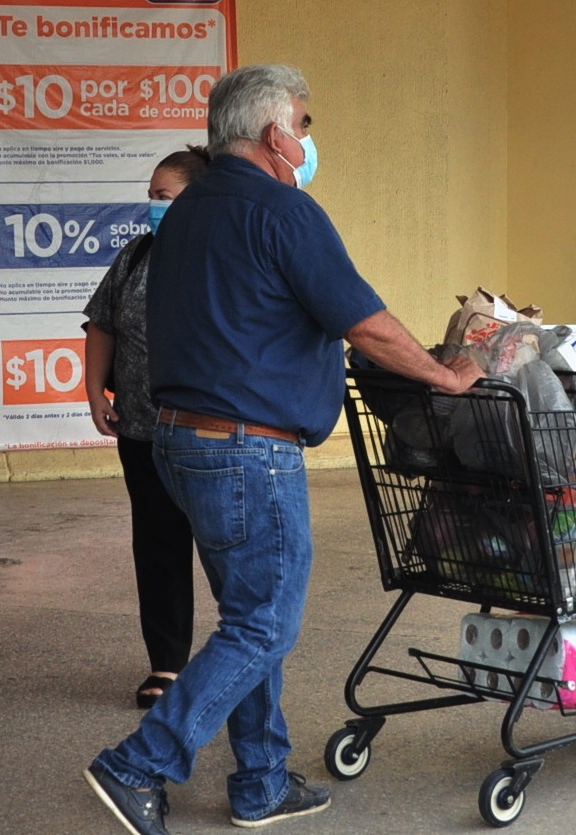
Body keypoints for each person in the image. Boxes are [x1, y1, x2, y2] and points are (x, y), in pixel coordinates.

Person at [83, 64, 483, 833]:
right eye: (303, 124)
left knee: (246, 613)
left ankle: (260, 779)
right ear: (273, 133)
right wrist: (441, 375)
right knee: (264, 622)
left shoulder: (188, 210)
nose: (306, 138)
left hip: (178, 438)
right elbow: (361, 319)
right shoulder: (283, 210)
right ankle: (139, 761)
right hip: (245, 449)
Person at [83, 147, 210, 709]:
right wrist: (93, 391)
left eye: (165, 197)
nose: (153, 206)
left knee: (228, 552)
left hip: (211, 436)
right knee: (157, 548)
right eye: (151, 196)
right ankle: (167, 664)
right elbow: (102, 323)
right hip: (142, 430)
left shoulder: (219, 258)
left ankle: (239, 662)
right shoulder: (137, 256)